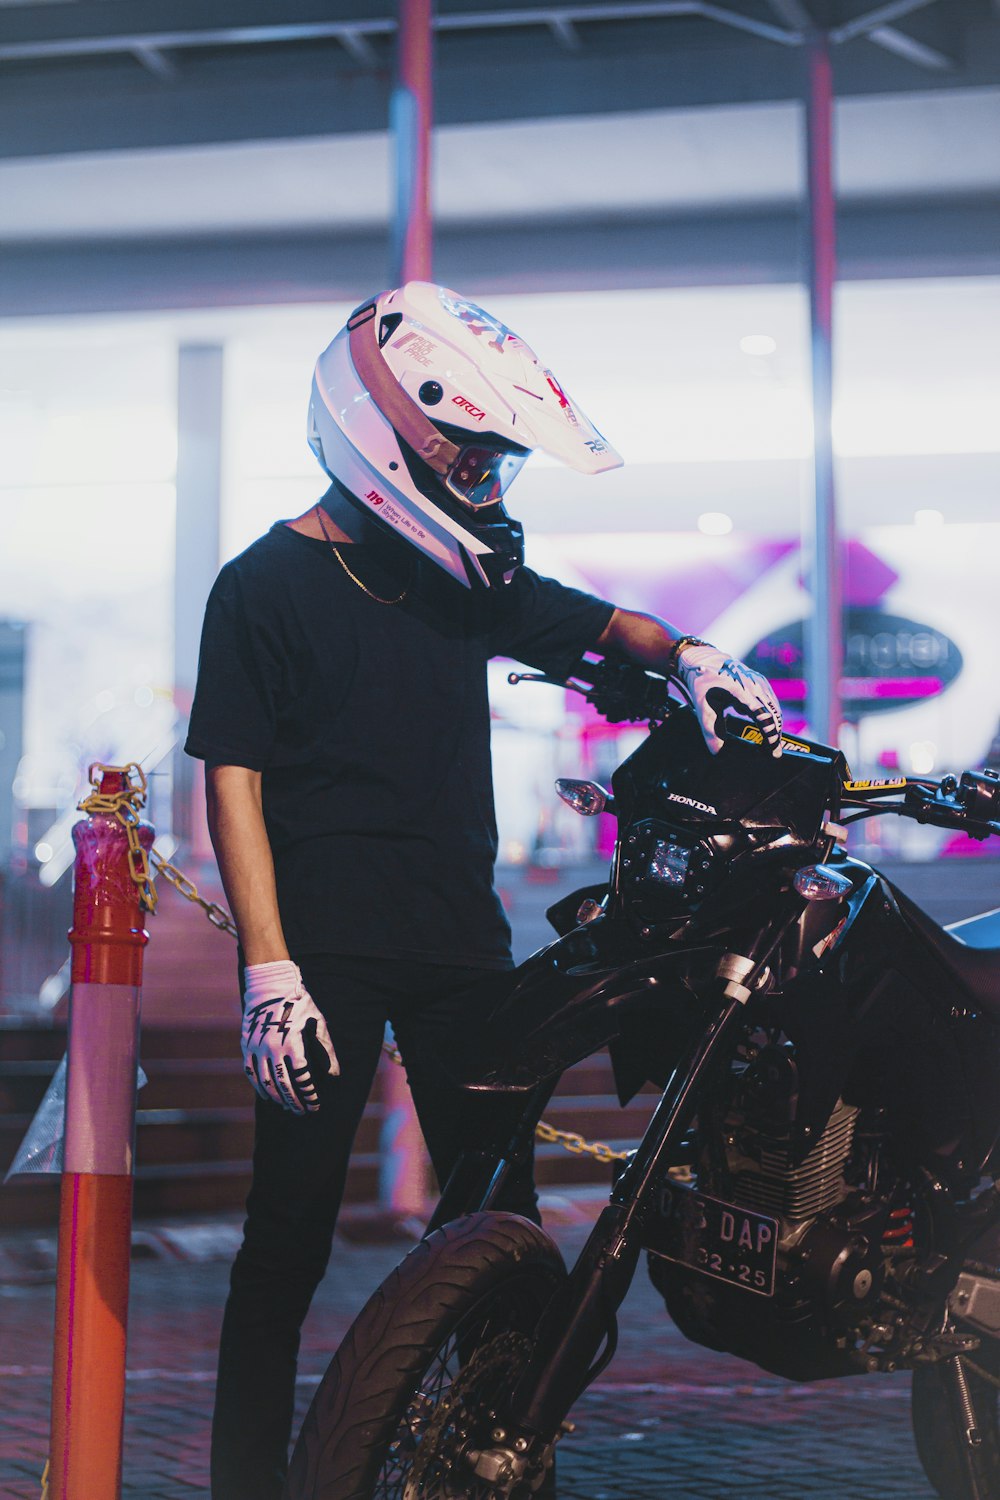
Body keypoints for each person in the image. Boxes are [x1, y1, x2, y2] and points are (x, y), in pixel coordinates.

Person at [184, 281, 783, 1500]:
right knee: (285, 1243)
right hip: (326, 954)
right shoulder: (260, 587)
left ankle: (501, 1471)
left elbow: (598, 625)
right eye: (466, 442)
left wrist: (696, 653)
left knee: (494, 1234)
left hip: (461, 943)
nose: (483, 470)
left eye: (498, 452)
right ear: (375, 423)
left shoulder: (460, 575)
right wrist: (268, 968)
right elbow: (232, 782)